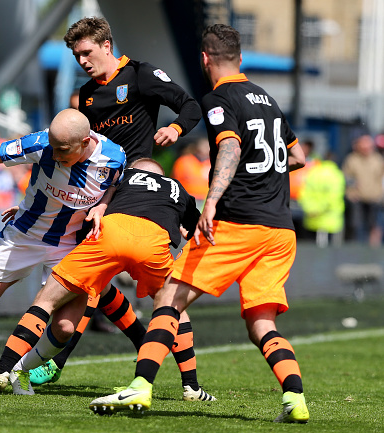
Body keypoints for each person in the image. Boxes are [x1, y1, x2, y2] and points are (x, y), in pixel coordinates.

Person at [87, 24, 309, 423]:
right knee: (261, 322)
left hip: (238, 224)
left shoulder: (219, 98)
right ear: (240, 58)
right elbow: (297, 158)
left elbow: (228, 146)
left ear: (204, 59)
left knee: (169, 299)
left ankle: (140, 388)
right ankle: (295, 400)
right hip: (280, 229)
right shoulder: (270, 102)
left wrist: (212, 201)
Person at [27, 16, 213, 403]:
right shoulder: (87, 95)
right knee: (90, 283)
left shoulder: (143, 76)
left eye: (87, 52)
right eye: (76, 55)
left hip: (139, 193)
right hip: (97, 195)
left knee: (154, 292)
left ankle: (187, 380)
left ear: (106, 45)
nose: (82, 61)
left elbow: (190, 105)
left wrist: (176, 129)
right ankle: (89, 353)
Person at [0, 158, 199, 397]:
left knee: (46, 300)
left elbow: (74, 204)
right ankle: (191, 386)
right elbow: (201, 230)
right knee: (173, 307)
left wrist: (31, 213)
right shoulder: (177, 188)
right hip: (154, 246)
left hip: (109, 235)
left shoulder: (119, 178)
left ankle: (3, 370)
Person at [0, 108, 126, 369]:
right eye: (53, 147)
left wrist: (103, 205)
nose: (55, 154)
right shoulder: (42, 143)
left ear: (85, 143)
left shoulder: (114, 156)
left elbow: (116, 182)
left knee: (65, 327)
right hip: (25, 234)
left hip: (69, 246)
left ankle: (21, 370)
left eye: (63, 149)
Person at [342, 134, 384, 247]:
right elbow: (346, 179)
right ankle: (354, 251)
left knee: (375, 227)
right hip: (357, 199)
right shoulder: (352, 159)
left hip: (374, 199)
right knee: (355, 227)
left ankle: (373, 252)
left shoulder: (378, 160)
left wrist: (380, 196)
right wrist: (350, 194)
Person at [171, 137, 211, 209]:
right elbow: (176, 180)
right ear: (196, 149)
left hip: (206, 200)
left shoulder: (211, 163)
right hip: (187, 198)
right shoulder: (184, 161)